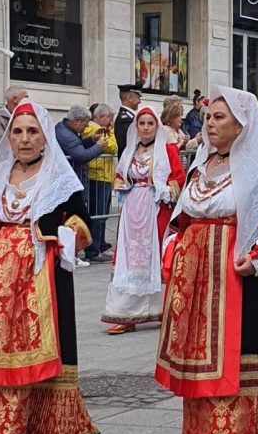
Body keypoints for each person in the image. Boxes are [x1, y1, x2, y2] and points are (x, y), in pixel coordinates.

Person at [155, 87, 258, 434]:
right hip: (196, 276)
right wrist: (172, 247)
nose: (210, 123)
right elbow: (183, 217)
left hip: (234, 274)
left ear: (240, 125)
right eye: (209, 117)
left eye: (219, 118)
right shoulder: (202, 166)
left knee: (235, 354)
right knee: (199, 353)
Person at [0, 101, 98, 434]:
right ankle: (5, 432)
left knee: (40, 348)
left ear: (44, 137)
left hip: (43, 277)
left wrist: (58, 236)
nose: (24, 139)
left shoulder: (59, 178)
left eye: (32, 131)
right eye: (18, 131)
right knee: (1, 347)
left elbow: (83, 225)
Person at [101, 105, 184, 334]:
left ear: (156, 126)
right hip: (132, 209)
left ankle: (161, 310)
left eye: (150, 123)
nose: (146, 128)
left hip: (155, 208)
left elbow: (178, 178)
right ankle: (126, 314)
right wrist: (123, 185)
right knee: (130, 258)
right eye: (142, 123)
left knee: (154, 256)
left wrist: (165, 190)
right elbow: (119, 176)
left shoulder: (167, 151)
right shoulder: (129, 151)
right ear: (136, 127)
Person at [81, 104, 118, 262]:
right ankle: (93, 250)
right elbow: (111, 147)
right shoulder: (92, 128)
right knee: (97, 214)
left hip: (105, 175)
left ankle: (101, 244)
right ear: (101, 117)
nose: (111, 121)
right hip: (97, 175)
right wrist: (109, 134)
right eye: (110, 117)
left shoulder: (104, 129)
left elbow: (112, 146)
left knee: (103, 214)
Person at [55, 105, 108, 188]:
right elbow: (81, 156)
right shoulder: (67, 135)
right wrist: (98, 146)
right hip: (69, 181)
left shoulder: (64, 129)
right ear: (77, 121)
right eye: (85, 124)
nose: (86, 128)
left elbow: (77, 146)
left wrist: (92, 140)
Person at [114, 83, 142, 157]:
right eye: (138, 98)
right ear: (129, 98)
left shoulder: (129, 116)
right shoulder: (126, 119)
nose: (140, 101)